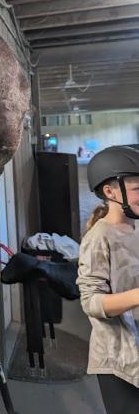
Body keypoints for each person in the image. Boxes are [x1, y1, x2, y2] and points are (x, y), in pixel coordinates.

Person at [77, 145, 139, 414]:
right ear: (110, 192)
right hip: (119, 359)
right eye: (138, 189)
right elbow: (91, 302)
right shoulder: (99, 238)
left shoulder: (135, 227)